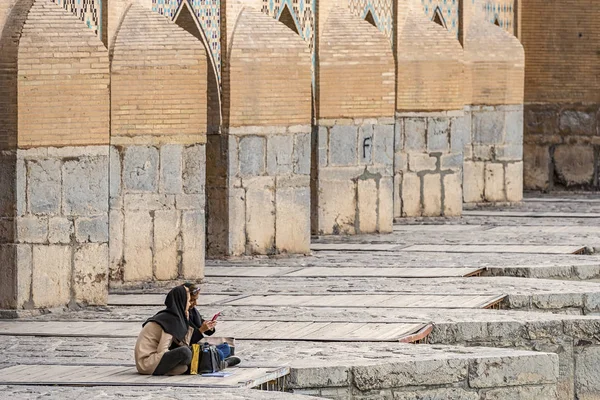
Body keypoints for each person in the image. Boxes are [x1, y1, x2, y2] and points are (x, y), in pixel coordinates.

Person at [134, 285, 193, 375]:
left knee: (188, 359)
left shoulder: (173, 317)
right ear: (182, 301)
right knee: (185, 353)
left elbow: (183, 343)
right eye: (188, 301)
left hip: (151, 362)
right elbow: (162, 349)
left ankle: (169, 370)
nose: (189, 304)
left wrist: (186, 322)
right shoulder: (169, 320)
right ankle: (165, 371)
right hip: (147, 363)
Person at [183, 282, 240, 367]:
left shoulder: (193, 311)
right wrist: (201, 330)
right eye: (192, 300)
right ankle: (222, 362)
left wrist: (209, 326)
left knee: (226, 347)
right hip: (189, 351)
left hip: (198, 347)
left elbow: (203, 326)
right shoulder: (179, 315)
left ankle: (215, 360)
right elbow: (186, 342)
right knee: (219, 353)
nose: (195, 303)